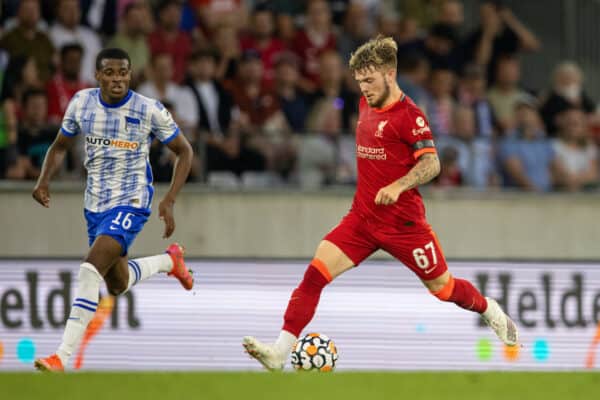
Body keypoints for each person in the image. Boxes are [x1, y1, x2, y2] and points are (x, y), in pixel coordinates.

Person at [242, 36, 518, 371]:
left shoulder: (410, 116)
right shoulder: (364, 104)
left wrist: (398, 186)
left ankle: (488, 308)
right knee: (314, 275)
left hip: (403, 225)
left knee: (443, 289)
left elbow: (432, 164)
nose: (364, 89)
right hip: (362, 218)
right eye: (359, 82)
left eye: (369, 80)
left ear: (390, 74)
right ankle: (279, 353)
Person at [32, 48, 194, 372]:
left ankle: (61, 357)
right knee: (117, 284)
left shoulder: (149, 110)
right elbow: (60, 146)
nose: (118, 79)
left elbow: (184, 151)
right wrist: (43, 180)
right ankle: (169, 261)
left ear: (130, 75)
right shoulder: (81, 103)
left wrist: (169, 199)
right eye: (110, 73)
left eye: (123, 72)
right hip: (95, 204)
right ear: (98, 75)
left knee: (90, 269)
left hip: (132, 200)